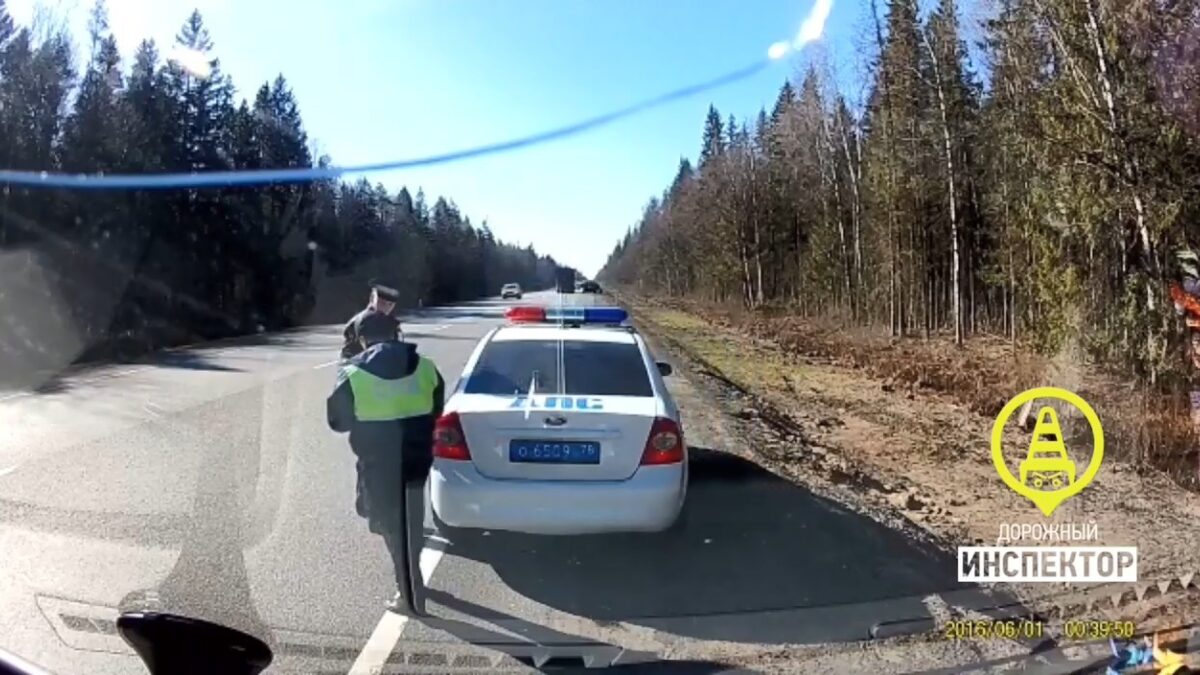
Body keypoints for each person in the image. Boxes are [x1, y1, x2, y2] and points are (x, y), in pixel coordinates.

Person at [326, 311, 445, 615]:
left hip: (377, 463)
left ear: (362, 338)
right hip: (417, 460)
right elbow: (437, 408)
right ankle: (411, 577)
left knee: (391, 525)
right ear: (395, 334)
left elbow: (338, 422)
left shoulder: (353, 372)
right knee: (410, 520)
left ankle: (409, 594)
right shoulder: (426, 366)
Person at [341, 279, 402, 360]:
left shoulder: (391, 323)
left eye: (390, 304)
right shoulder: (364, 320)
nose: (386, 307)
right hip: (359, 363)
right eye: (382, 302)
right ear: (372, 299)